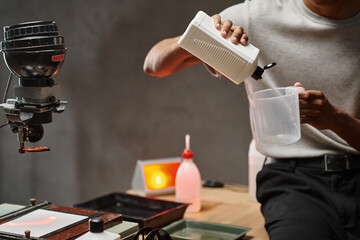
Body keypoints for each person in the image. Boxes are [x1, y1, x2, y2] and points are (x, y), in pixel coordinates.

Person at [143, 0, 360, 239]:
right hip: (295, 183)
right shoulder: (256, 17)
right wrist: (202, 36)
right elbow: (155, 64)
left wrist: (336, 120)